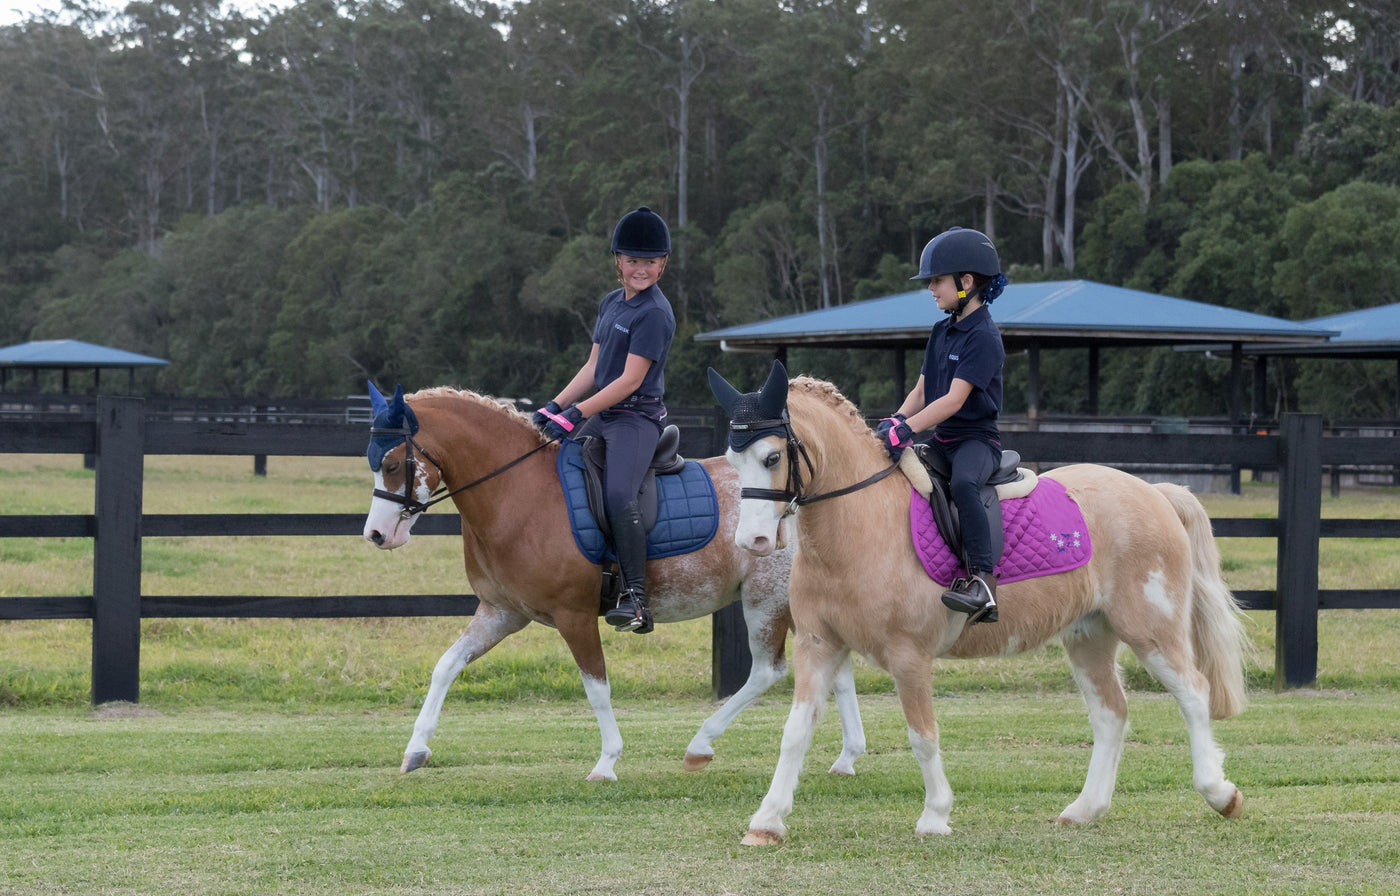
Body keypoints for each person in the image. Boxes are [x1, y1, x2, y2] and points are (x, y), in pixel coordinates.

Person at [533, 207, 676, 634]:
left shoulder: (655, 312)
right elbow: (596, 367)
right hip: (604, 411)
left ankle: (635, 598)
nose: (641, 269)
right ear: (617, 260)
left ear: (663, 263)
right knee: (556, 468)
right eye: (633, 260)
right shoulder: (611, 303)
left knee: (617, 494)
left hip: (636, 419)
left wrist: (578, 413)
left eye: (650, 262)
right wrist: (554, 407)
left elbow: (631, 380)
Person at [877, 226, 1009, 624]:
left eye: (937, 280)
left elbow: (953, 400)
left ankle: (983, 582)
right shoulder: (941, 330)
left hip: (976, 441)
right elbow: (923, 388)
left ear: (966, 282)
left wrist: (909, 430)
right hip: (943, 439)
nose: (931, 288)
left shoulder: (985, 336)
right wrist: (896, 419)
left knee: (965, 485)